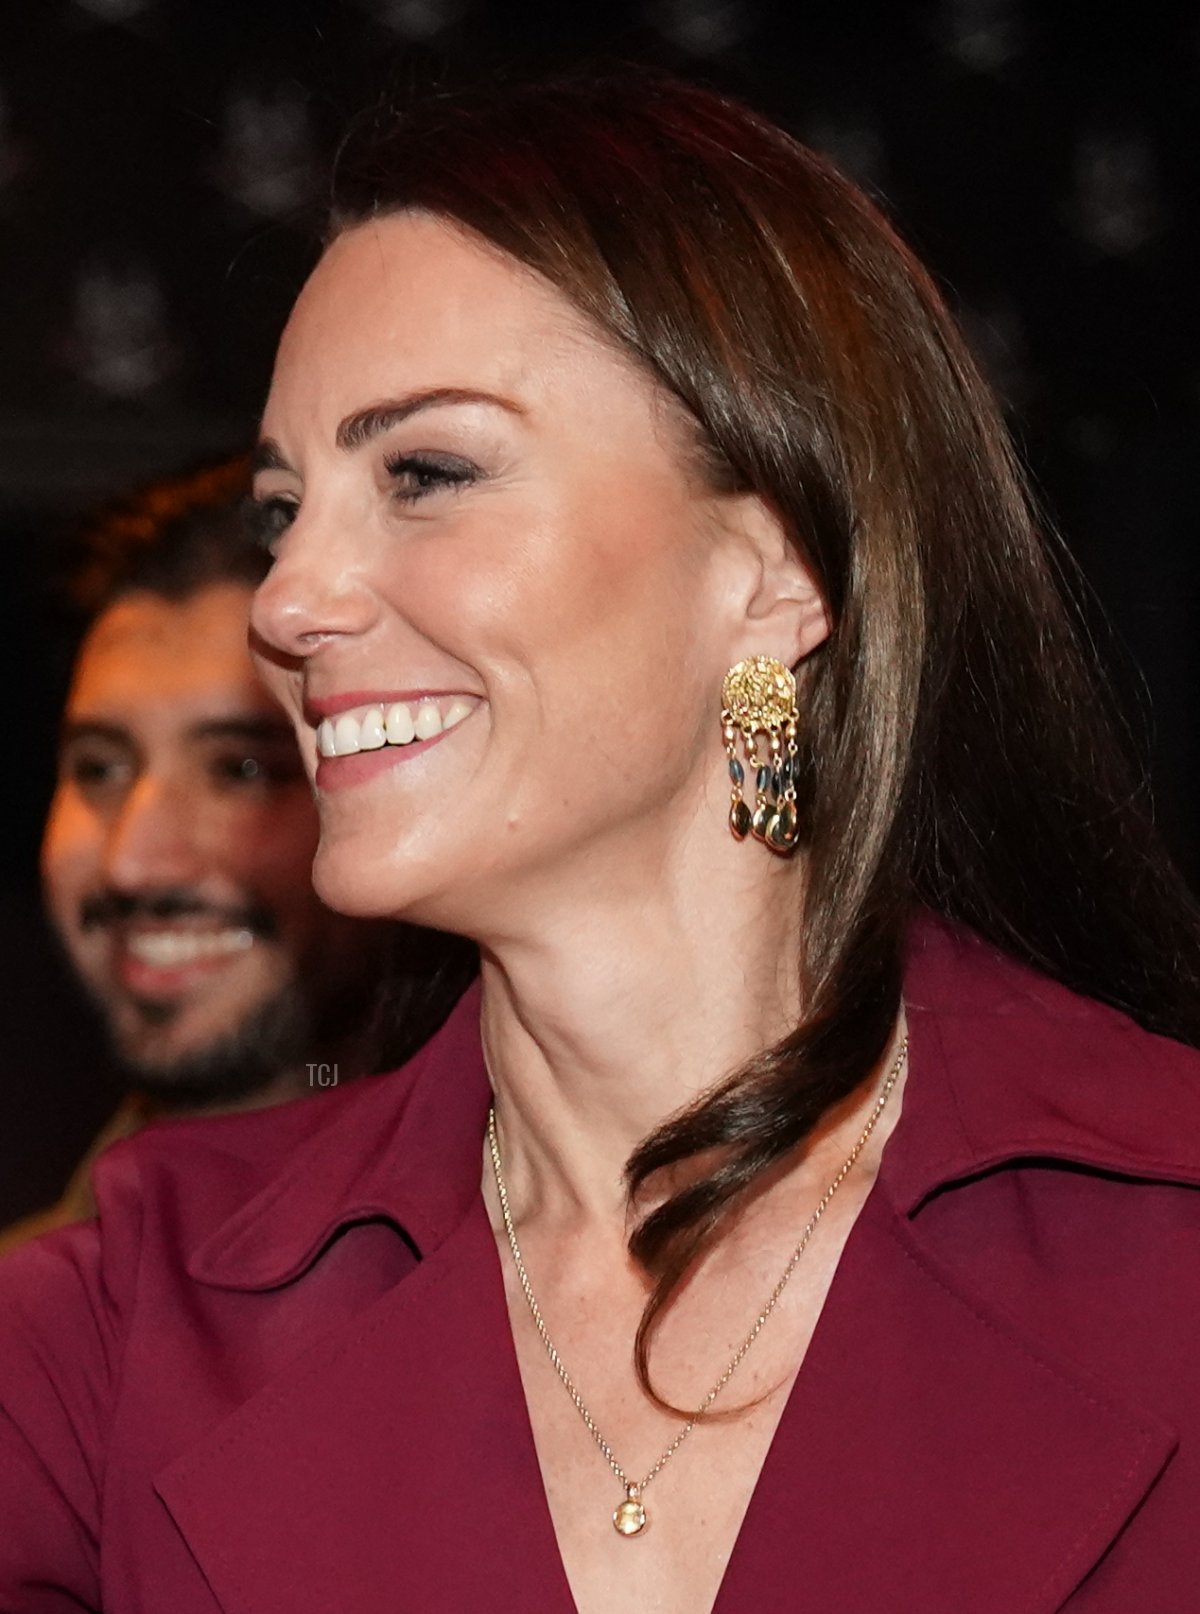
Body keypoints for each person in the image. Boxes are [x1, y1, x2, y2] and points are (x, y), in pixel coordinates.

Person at [2, 68, 1200, 1612]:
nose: (286, 602)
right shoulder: (132, 1310)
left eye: (424, 474)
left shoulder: (1164, 1222)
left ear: (771, 570)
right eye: (284, 510)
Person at [0, 460, 395, 1255]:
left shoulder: (541, 1297)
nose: (133, 863)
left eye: (241, 770)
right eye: (100, 768)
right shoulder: (30, 1314)